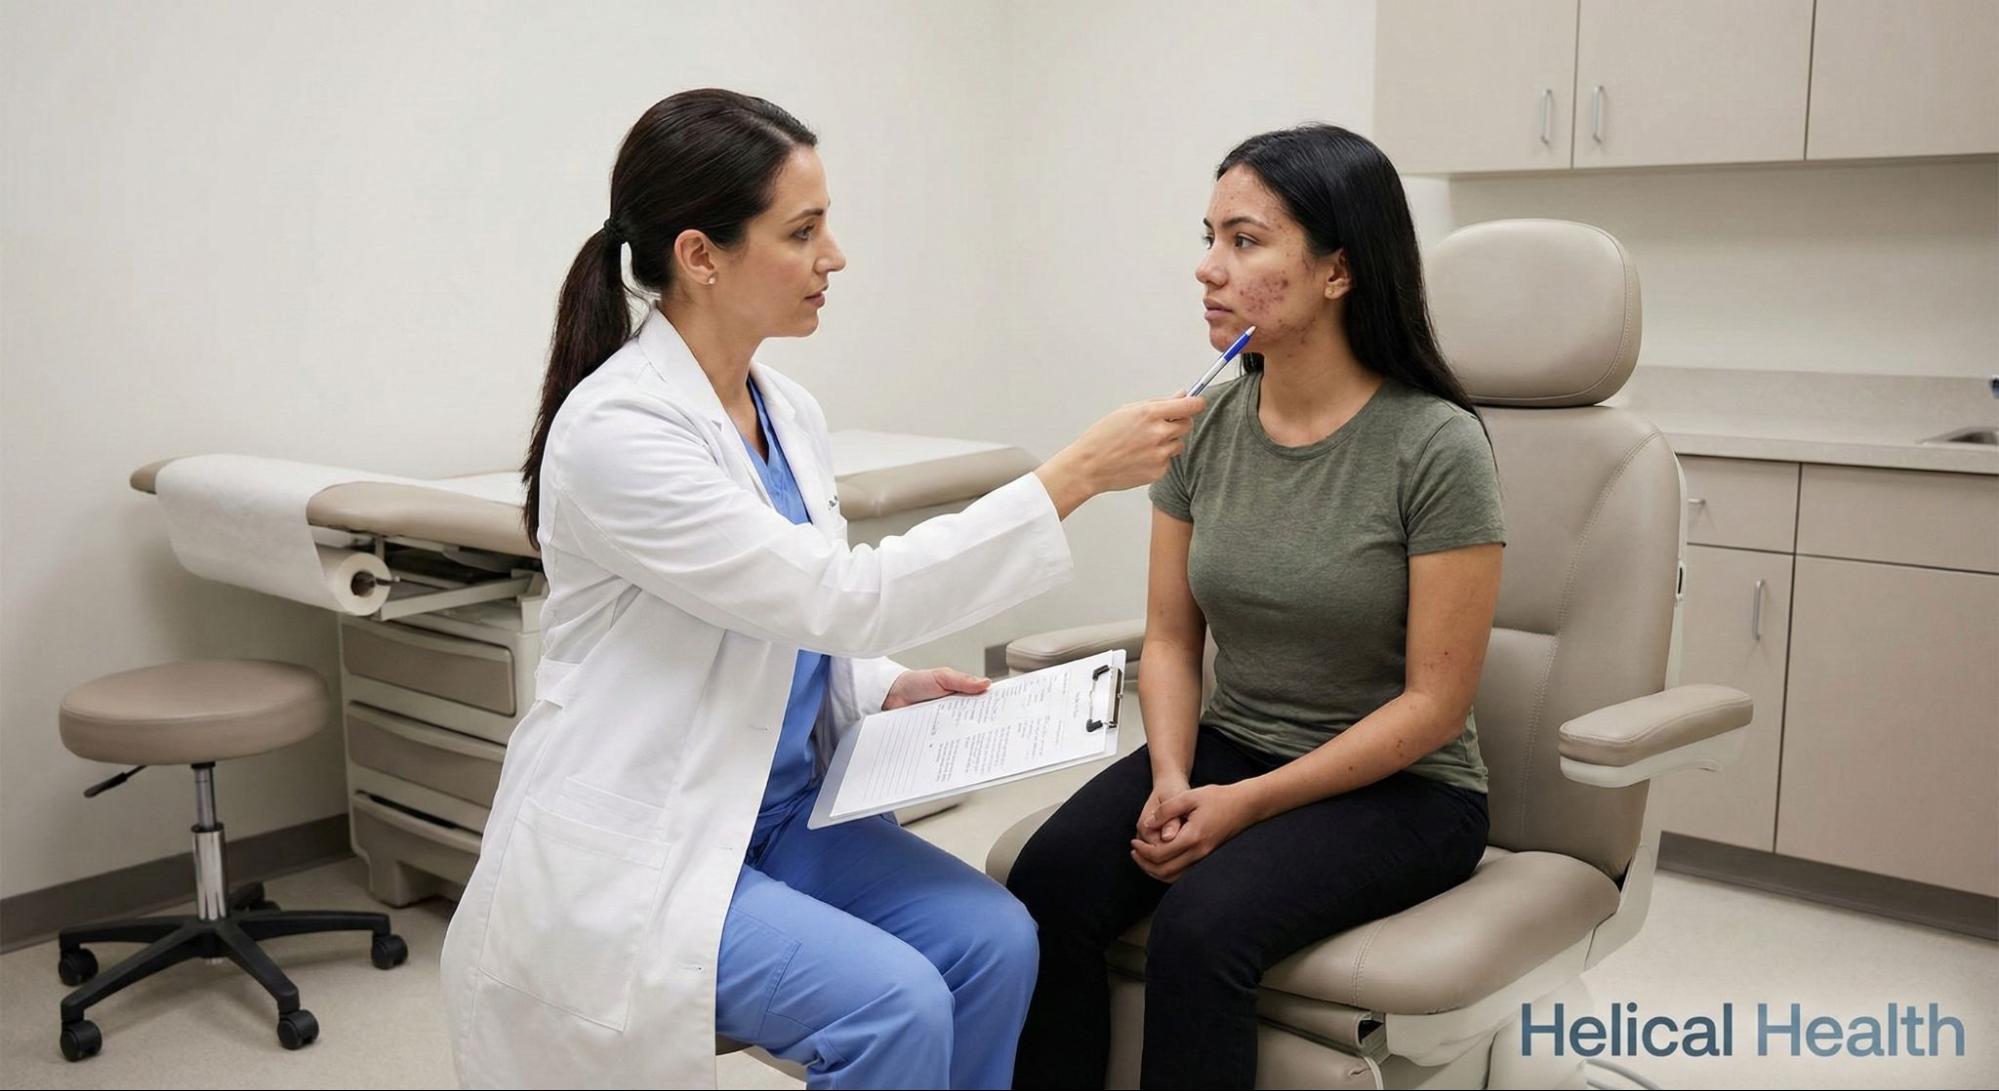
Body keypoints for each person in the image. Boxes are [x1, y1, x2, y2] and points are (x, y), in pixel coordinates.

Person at [437, 89, 1205, 1089]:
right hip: (651, 836)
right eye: (802, 231)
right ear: (700, 255)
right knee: (893, 1003)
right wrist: (1071, 476)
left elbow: (791, 620)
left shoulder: (783, 407)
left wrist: (882, 686)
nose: (833, 255)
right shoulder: (620, 432)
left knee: (996, 942)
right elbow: (838, 592)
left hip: (786, 813)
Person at [1007, 124, 1506, 1090]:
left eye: (1243, 241)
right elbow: (1168, 634)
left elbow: (1434, 707)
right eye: (1208, 237)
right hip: (1231, 743)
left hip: (1408, 791)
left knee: (1203, 926)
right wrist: (1168, 772)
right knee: (1048, 880)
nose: (1206, 268)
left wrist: (1241, 806)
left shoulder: (1436, 446)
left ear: (1336, 271)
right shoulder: (1204, 427)